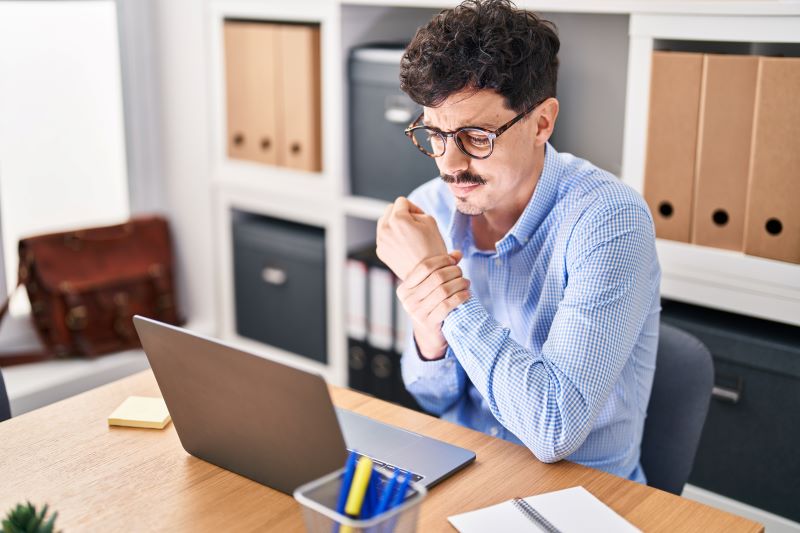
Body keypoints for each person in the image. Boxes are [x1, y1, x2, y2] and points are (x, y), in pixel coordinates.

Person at [375, 0, 661, 483]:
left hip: (581, 493)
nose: (449, 162)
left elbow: (553, 428)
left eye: (476, 135)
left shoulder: (610, 221)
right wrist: (431, 330)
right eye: (435, 133)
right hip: (464, 472)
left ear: (542, 122)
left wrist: (443, 297)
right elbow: (431, 396)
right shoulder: (436, 207)